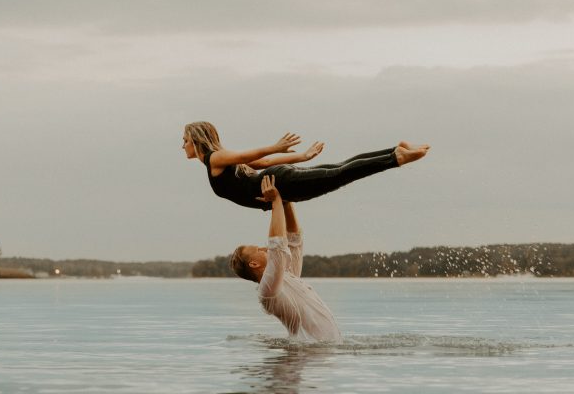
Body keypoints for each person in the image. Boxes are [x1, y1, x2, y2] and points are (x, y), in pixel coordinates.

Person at [183, 121, 429, 210]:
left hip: (280, 184)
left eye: (185, 141)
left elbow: (257, 154)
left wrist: (275, 147)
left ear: (195, 141)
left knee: (340, 174)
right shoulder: (221, 160)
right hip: (278, 179)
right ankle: (394, 150)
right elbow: (264, 163)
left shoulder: (214, 159)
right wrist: (301, 157)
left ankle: (396, 157)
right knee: (339, 168)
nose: (182, 146)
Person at [229, 175, 342, 342]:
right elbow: (277, 245)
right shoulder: (267, 291)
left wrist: (286, 200)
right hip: (307, 356)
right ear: (254, 263)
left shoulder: (287, 276)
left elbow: (294, 238)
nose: (264, 247)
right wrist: (275, 201)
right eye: (258, 249)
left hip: (321, 354)